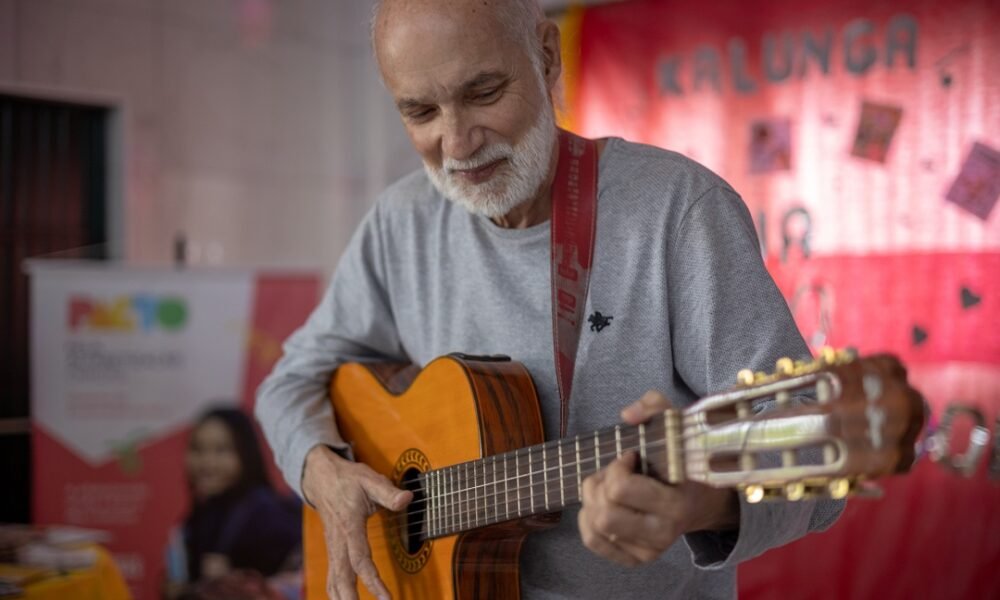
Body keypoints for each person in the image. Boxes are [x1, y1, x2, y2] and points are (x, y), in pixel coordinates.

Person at [256, 1, 846, 599]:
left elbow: (816, 439)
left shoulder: (677, 210)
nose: (457, 142)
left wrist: (702, 500)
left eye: (484, 92)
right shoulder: (400, 224)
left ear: (545, 55)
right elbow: (291, 380)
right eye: (421, 111)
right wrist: (319, 467)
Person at [164, 407, 302, 598]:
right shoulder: (197, 519)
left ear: (245, 454)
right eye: (198, 449)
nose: (207, 462)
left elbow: (301, 581)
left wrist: (236, 580)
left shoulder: (268, 514)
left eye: (221, 450)